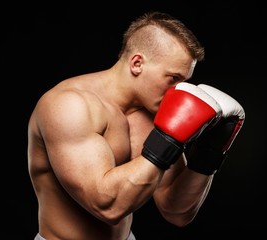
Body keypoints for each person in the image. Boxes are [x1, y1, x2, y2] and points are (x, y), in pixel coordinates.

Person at [27, 11, 245, 240]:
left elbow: (176, 211)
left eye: (184, 81)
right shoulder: (69, 105)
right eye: (173, 78)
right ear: (137, 63)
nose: (177, 91)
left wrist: (208, 155)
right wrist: (167, 142)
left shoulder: (152, 116)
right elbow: (106, 206)